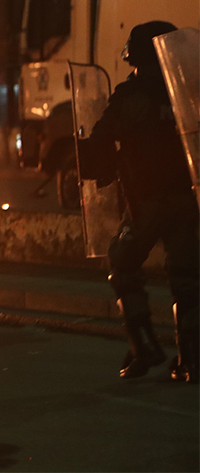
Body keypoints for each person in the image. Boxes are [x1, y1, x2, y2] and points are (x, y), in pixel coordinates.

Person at [77, 20, 199, 383]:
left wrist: (91, 159)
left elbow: (98, 143)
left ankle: (143, 346)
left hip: (146, 202)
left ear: (137, 58)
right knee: (188, 279)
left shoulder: (130, 96)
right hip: (187, 199)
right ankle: (191, 360)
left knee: (123, 262)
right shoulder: (188, 93)